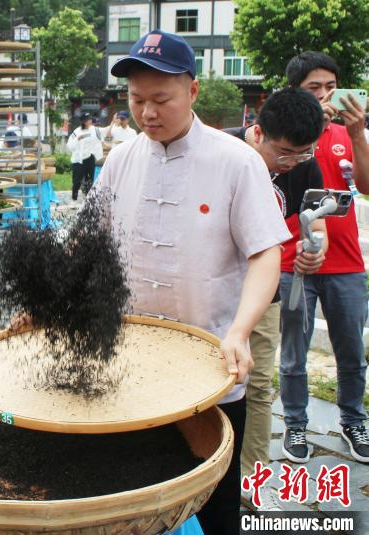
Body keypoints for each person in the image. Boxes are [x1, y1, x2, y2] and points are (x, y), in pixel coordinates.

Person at [97, 30, 290, 534]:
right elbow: (85, 244)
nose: (147, 113)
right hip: (132, 362)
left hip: (213, 366)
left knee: (218, 499)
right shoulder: (120, 162)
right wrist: (52, 298)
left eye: (161, 99)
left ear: (194, 91)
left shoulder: (236, 161)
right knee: (133, 490)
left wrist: (240, 331)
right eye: (137, 100)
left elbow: (267, 252)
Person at [224, 88, 327, 509]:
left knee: (259, 383)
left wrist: (313, 249)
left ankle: (249, 479)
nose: (292, 163)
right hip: (212, 289)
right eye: (284, 153)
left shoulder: (307, 165)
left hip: (263, 294)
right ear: (258, 132)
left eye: (303, 154)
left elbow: (316, 226)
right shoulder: (225, 151)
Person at [280, 51, 369, 464]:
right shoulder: (286, 135)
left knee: (351, 350)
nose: (325, 95)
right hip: (293, 260)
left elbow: (365, 187)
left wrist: (357, 134)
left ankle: (353, 419)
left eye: (331, 87)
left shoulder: (347, 134)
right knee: (294, 351)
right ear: (295, 92)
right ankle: (295, 423)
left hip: (346, 263)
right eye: (313, 88)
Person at [66, 112, 102, 201]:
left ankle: (88, 198)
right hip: (79, 159)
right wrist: (77, 139)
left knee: (90, 179)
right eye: (88, 120)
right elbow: (69, 146)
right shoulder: (77, 132)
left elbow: (103, 133)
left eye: (90, 119)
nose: (90, 121)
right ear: (83, 122)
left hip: (90, 157)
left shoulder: (94, 129)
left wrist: (112, 124)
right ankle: (74, 198)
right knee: (77, 180)